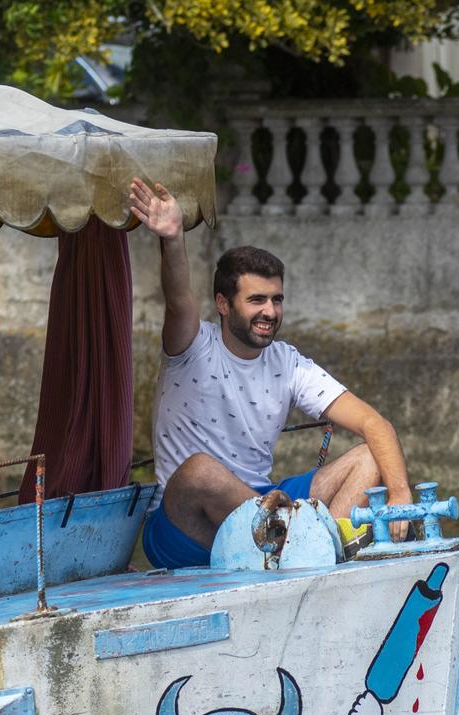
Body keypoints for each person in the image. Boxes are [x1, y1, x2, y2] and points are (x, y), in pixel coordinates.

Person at [128, 178, 414, 569]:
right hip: (186, 528)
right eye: (257, 300)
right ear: (223, 304)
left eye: (276, 299)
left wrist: (400, 494)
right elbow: (178, 300)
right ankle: (303, 543)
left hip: (268, 501)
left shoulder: (288, 362)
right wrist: (172, 237)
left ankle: (314, 551)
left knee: (370, 457)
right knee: (199, 471)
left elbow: (374, 423)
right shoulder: (192, 346)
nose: (270, 311)